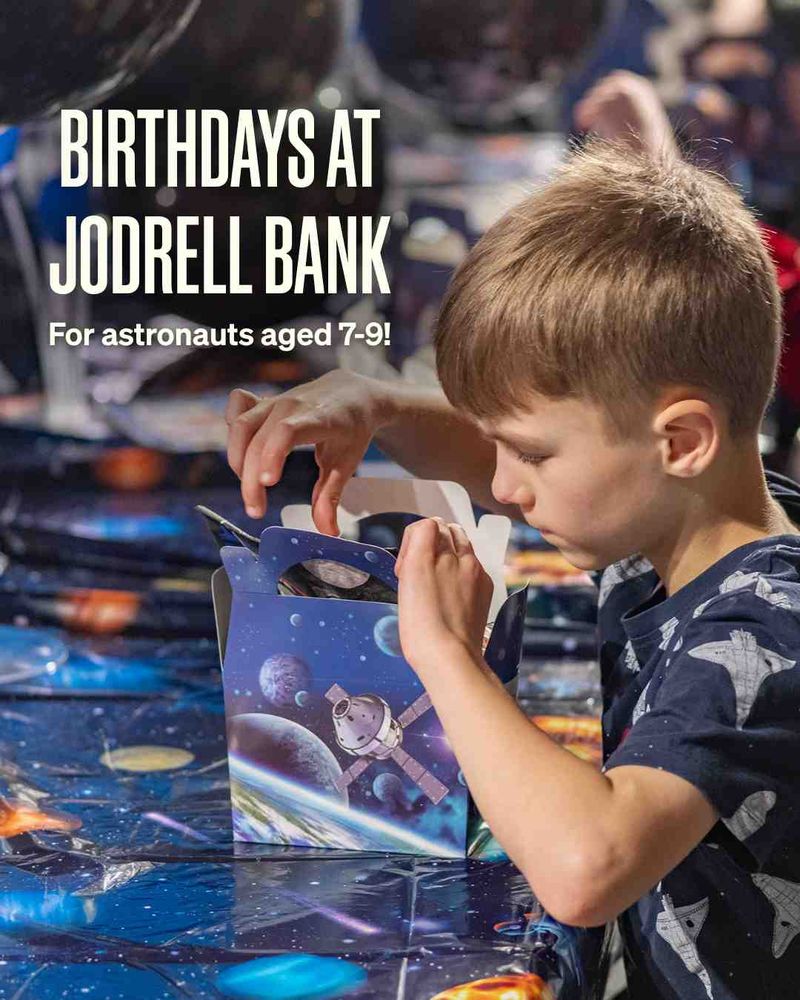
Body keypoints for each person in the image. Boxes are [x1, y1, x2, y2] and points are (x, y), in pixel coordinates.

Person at [225, 139, 800, 998]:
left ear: (681, 441)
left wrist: (443, 655)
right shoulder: (682, 516)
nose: (501, 485)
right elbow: (544, 445)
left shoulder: (762, 632)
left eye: (528, 455)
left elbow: (586, 870)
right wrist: (376, 404)